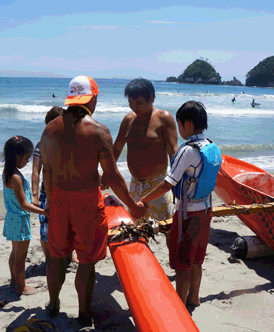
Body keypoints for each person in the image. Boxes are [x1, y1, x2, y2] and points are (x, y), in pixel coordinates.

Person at [39, 75, 145, 327]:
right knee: (86, 261)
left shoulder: (49, 129)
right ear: (93, 97)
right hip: (86, 201)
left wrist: (51, 201)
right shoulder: (98, 131)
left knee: (55, 257)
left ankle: (53, 304)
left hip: (59, 200)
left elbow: (47, 170)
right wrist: (132, 205)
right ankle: (84, 314)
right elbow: (112, 176)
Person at [138, 101, 221, 307]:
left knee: (183, 262)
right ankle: (194, 297)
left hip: (188, 214)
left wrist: (143, 199)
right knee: (197, 259)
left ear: (189, 124)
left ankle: (180, 306)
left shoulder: (188, 151)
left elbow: (168, 183)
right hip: (206, 210)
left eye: (180, 124)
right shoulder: (212, 146)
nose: (179, 129)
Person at [102, 78, 177, 228]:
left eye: (138, 103)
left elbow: (173, 151)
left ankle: (173, 252)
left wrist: (176, 181)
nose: (134, 107)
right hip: (135, 185)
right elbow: (116, 148)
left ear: (151, 98)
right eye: (130, 103)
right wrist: (106, 174)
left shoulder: (164, 118)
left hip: (158, 183)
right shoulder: (128, 120)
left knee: (168, 226)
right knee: (138, 227)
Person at [31, 106, 76, 304]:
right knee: (46, 227)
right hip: (47, 191)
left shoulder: (72, 140)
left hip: (68, 190)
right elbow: (35, 171)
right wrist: (34, 195)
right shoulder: (42, 143)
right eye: (54, 121)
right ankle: (49, 257)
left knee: (70, 225)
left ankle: (69, 255)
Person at [2, 135, 47, 296]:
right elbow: (23, 204)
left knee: (15, 253)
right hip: (19, 219)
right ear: (17, 156)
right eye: (26, 158)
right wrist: (43, 211)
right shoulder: (15, 178)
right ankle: (20, 287)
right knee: (21, 256)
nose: (28, 161)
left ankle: (15, 280)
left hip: (12, 218)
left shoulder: (9, 172)